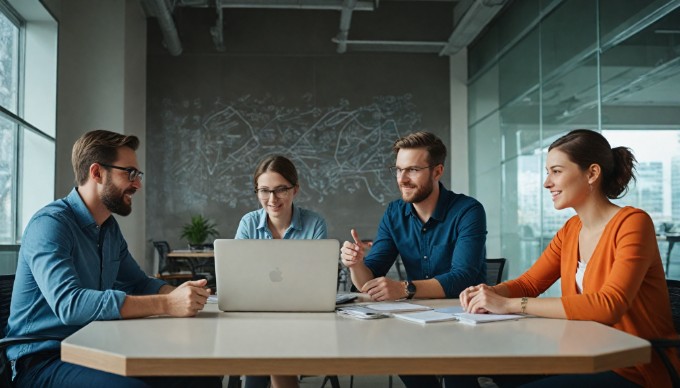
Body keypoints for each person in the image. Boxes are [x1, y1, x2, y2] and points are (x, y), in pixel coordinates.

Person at [460, 129, 680, 387]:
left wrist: (509, 305)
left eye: (556, 171)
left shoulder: (633, 223)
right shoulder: (570, 230)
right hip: (583, 355)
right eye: (547, 172)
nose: (547, 183)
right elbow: (530, 283)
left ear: (592, 173)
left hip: (635, 368)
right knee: (483, 368)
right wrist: (488, 293)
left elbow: (609, 305)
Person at [5, 130, 221, 388]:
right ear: (97, 173)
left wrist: (181, 295)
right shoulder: (50, 225)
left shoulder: (108, 228)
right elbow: (70, 304)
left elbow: (139, 283)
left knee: (199, 376)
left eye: (138, 175)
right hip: (42, 359)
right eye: (130, 173)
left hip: (95, 345)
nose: (138, 184)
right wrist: (166, 304)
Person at [340, 131, 487, 388]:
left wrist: (404, 288)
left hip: (464, 317)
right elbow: (368, 280)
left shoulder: (468, 211)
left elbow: (463, 277)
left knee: (458, 379)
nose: (402, 179)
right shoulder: (395, 213)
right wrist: (356, 265)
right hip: (416, 319)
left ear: (437, 171)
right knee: (402, 357)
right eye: (398, 170)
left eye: (412, 170)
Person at [235, 155, 327, 388]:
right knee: (263, 342)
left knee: (268, 346)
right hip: (254, 313)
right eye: (264, 190)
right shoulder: (248, 223)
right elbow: (238, 276)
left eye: (280, 190)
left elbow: (316, 280)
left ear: (295, 190)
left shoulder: (314, 223)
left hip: (302, 316)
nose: (272, 199)